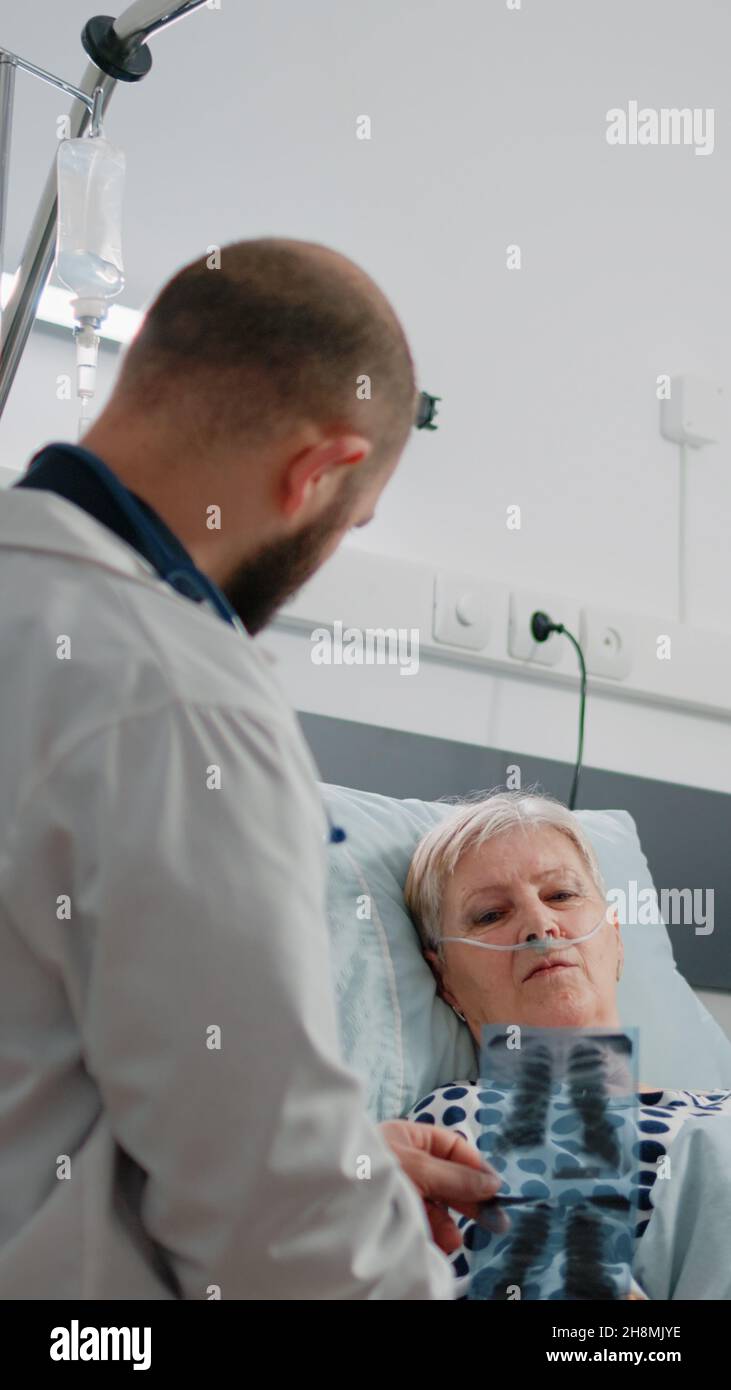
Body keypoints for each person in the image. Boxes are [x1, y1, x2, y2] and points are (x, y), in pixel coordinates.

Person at [0, 238, 499, 1300]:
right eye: (350, 524)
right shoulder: (180, 696)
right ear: (318, 473)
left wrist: (351, 1156)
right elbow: (279, 1227)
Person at [403, 789, 731, 1298]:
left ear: (616, 937)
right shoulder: (463, 1123)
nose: (540, 925)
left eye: (561, 895)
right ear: (445, 980)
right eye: (490, 915)